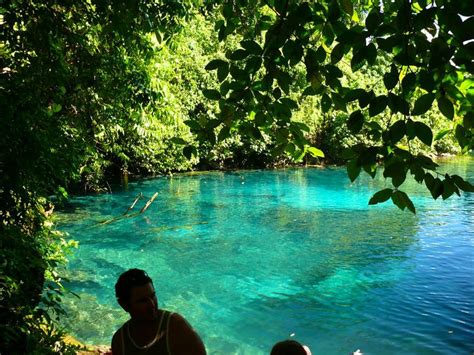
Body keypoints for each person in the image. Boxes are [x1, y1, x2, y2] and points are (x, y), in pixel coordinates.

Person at [111, 268, 206, 355]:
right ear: (124, 305)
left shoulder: (176, 327)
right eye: (142, 301)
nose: (152, 304)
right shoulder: (120, 341)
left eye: (153, 296)